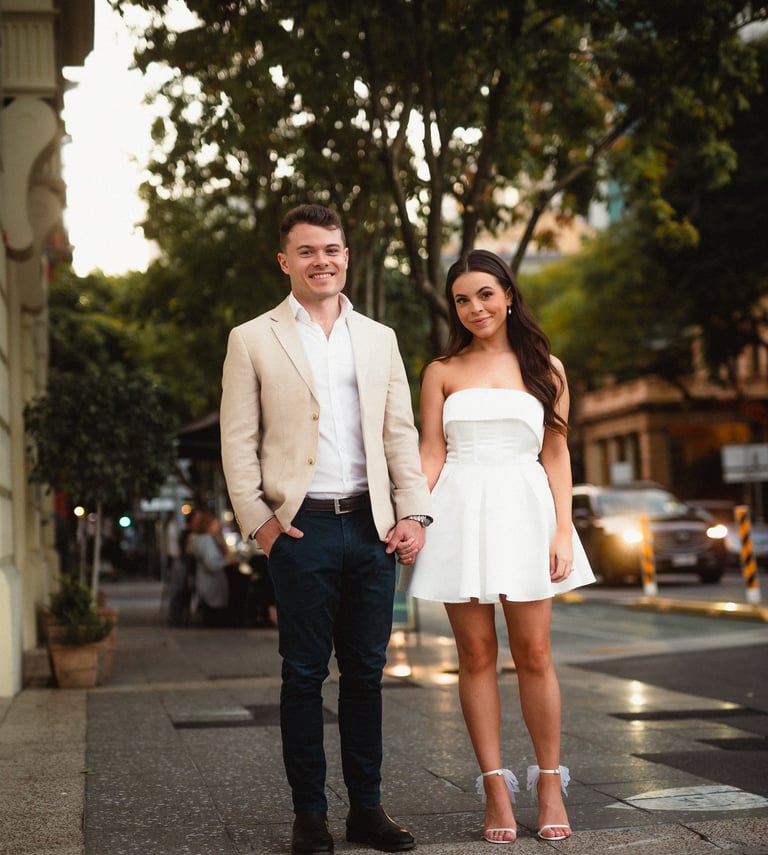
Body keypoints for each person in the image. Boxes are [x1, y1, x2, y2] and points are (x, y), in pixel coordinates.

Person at [220, 204, 432, 854]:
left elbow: (400, 431)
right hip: (300, 530)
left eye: (333, 249)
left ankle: (367, 809)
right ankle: (309, 815)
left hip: (371, 529)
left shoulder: (380, 337)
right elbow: (239, 440)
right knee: (303, 674)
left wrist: (413, 512)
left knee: (367, 673)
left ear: (348, 256)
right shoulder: (252, 337)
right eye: (308, 251)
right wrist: (261, 523)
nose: (323, 261)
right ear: (285, 261)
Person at [407, 249, 595, 845]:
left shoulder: (548, 367)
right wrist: (411, 511)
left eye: (485, 294)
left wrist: (563, 528)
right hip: (458, 509)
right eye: (462, 299)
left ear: (508, 294)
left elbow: (557, 453)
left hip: (525, 505)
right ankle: (494, 786)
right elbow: (431, 452)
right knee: (476, 654)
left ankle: (547, 782)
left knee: (535, 653)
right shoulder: (441, 370)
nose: (474, 308)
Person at [191, 511, 236, 627]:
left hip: (206, 581)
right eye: (215, 524)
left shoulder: (202, 539)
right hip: (211, 582)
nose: (218, 527)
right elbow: (211, 564)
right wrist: (228, 561)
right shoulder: (206, 540)